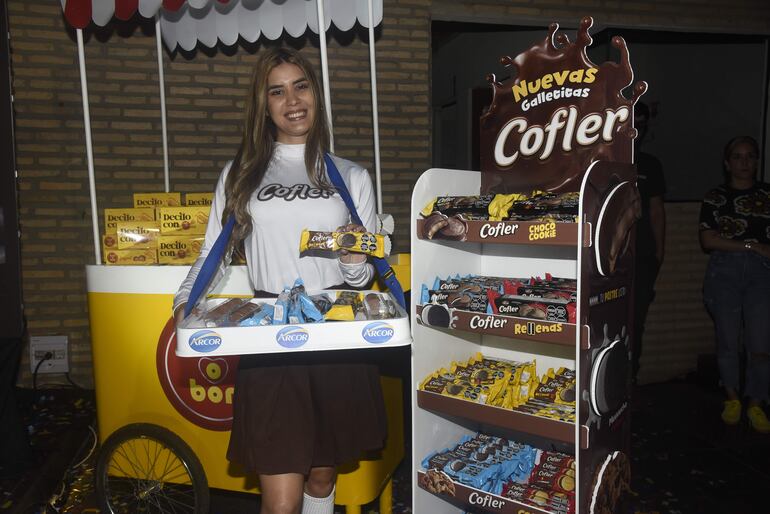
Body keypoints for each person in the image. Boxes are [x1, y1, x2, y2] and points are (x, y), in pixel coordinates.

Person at [173, 47, 386, 514]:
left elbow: (362, 274)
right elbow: (212, 252)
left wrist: (353, 258)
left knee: (323, 475)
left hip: (335, 338)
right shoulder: (240, 174)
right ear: (264, 104)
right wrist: (184, 302)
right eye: (277, 91)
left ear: (316, 94)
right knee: (281, 499)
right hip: (271, 339)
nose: (292, 100)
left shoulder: (351, 175)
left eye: (301, 86)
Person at [699, 135, 770, 433]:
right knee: (728, 340)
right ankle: (732, 398)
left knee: (760, 342)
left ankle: (756, 402)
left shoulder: (767, 194)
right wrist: (752, 246)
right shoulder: (716, 197)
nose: (744, 162)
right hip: (724, 271)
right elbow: (708, 240)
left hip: (761, 273)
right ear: (727, 163)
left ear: (756, 161)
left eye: (750, 156)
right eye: (738, 156)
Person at [632, 102, 666, 383]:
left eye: (641, 125)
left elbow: (656, 211)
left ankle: (630, 379)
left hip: (641, 256)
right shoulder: (600, 159)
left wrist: (659, 253)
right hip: (605, 257)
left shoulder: (650, 164)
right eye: (632, 122)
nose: (636, 130)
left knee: (636, 321)